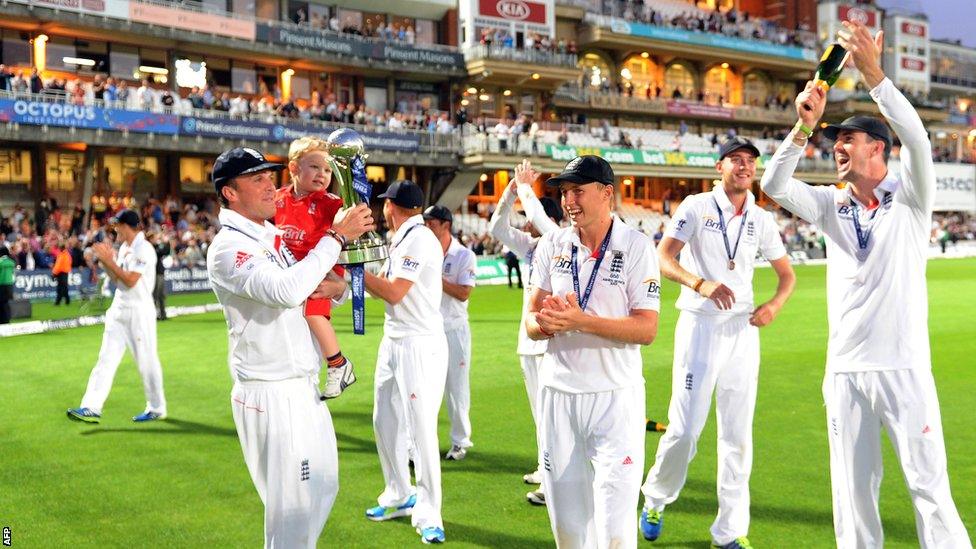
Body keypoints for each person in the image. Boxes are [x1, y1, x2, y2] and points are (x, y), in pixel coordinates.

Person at [760, 22, 972, 549]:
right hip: (846, 371)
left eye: (847, 139)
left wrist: (876, 77)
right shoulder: (831, 205)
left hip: (903, 368)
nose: (837, 148)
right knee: (853, 496)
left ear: (878, 150)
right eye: (835, 141)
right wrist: (804, 128)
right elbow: (773, 185)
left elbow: (918, 139)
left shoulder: (913, 199)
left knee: (929, 488)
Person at [206, 146, 374, 549]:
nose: (270, 186)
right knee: (292, 514)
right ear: (230, 193)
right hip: (270, 390)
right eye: (258, 179)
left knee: (324, 488)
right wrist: (336, 236)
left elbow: (303, 284)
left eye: (270, 176)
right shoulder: (229, 248)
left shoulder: (268, 234)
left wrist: (336, 290)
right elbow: (285, 290)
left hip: (302, 385)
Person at [638, 137, 796, 549]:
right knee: (686, 429)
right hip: (700, 324)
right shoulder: (696, 206)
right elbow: (664, 257)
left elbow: (787, 276)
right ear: (719, 167)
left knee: (738, 435)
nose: (745, 167)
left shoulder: (761, 219)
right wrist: (700, 283)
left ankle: (729, 531)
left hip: (743, 331)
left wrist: (774, 307)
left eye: (750, 162)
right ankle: (655, 497)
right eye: (736, 160)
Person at [526, 155, 661, 548]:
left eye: (577, 191)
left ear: (606, 194)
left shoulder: (636, 246)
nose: (568, 200)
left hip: (614, 399)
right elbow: (530, 323)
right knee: (567, 528)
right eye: (564, 192)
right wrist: (546, 325)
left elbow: (647, 329)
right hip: (558, 396)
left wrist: (580, 321)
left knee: (615, 529)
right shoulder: (553, 242)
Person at [363, 180, 448, 545]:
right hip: (394, 338)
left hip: (419, 344)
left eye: (385, 204)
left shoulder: (419, 238)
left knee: (420, 430)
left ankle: (430, 513)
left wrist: (353, 274)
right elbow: (384, 285)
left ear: (392, 206)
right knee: (385, 419)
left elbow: (394, 292)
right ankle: (399, 493)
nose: (383, 210)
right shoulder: (400, 238)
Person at [487, 159, 562, 506]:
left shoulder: (559, 241)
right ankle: (546, 468)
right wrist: (510, 192)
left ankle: (554, 485)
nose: (525, 224)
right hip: (528, 344)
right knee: (539, 413)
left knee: (551, 415)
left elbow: (544, 224)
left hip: (550, 344)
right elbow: (496, 227)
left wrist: (528, 190)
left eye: (528, 217)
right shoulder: (530, 247)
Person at [66, 210, 168, 424]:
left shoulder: (144, 249)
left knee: (146, 361)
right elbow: (117, 279)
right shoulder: (124, 248)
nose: (115, 230)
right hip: (119, 308)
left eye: (117, 226)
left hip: (139, 311)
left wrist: (108, 261)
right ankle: (91, 407)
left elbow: (130, 280)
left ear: (127, 226)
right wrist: (104, 261)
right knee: (105, 358)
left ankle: (157, 407)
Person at [274, 137, 356, 399]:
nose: (323, 175)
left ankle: (338, 364)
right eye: (315, 167)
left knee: (312, 310)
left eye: (329, 170)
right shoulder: (275, 201)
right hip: (285, 278)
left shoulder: (333, 205)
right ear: (294, 168)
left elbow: (357, 226)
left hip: (320, 274)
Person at [423, 204, 477, 461]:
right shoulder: (425, 252)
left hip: (454, 330)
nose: (427, 227)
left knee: (456, 389)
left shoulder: (463, 255)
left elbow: (464, 292)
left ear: (445, 224)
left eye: (431, 223)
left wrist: (435, 278)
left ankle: (460, 442)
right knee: (424, 389)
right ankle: (421, 444)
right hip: (428, 329)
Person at [150, 232, 169, 321]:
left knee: (161, 295)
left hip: (159, 272)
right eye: (153, 238)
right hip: (155, 273)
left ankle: (163, 314)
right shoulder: (150, 248)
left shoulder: (156, 247)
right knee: (155, 295)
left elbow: (166, 252)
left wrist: (166, 243)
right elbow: (161, 252)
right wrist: (163, 242)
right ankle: (155, 314)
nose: (155, 240)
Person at [52, 241, 72, 305]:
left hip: (61, 273)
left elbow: (58, 265)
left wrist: (54, 273)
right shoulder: (67, 254)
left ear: (61, 248)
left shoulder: (61, 255)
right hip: (65, 272)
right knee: (64, 287)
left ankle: (58, 301)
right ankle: (67, 300)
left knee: (60, 288)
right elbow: (70, 262)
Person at [0, 245, 14, 324]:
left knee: (1, 303)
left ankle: (3, 320)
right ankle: (7, 319)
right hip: (9, 285)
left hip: (1, 285)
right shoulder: (11, 262)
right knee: (6, 303)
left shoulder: (0, 262)